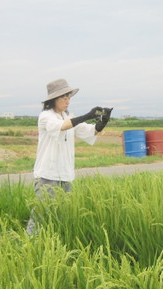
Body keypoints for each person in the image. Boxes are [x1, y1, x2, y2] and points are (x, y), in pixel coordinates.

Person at [26, 78, 112, 234]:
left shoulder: (67, 117)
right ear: (53, 100)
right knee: (41, 213)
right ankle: (30, 242)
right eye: (64, 98)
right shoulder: (46, 116)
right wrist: (87, 115)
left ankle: (52, 243)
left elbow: (90, 131)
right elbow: (62, 127)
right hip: (48, 173)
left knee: (60, 215)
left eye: (69, 98)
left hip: (65, 174)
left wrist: (102, 123)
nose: (68, 102)